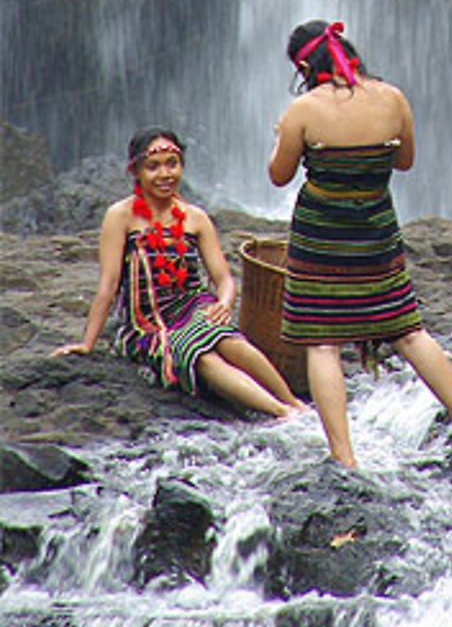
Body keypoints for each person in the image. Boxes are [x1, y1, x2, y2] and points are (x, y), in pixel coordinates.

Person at [268, 19, 452, 466]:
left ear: (305, 64)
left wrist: (279, 140)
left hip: (321, 237)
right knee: (408, 330)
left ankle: (344, 456)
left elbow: (279, 175)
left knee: (323, 342)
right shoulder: (393, 98)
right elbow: (404, 161)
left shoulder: (302, 111)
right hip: (376, 233)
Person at [53, 128, 305, 420]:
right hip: (148, 323)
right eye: (153, 166)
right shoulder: (119, 216)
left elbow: (223, 278)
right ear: (134, 171)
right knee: (201, 356)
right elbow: (108, 285)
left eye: (172, 164)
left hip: (193, 306)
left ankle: (293, 402)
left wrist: (223, 305)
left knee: (229, 340)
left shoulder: (196, 217)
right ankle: (280, 412)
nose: (165, 174)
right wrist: (87, 343)